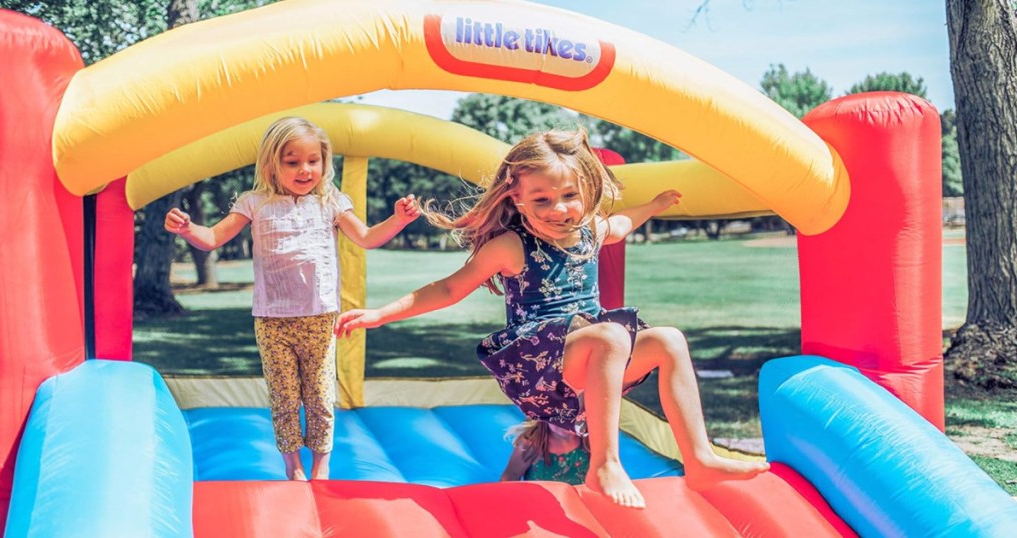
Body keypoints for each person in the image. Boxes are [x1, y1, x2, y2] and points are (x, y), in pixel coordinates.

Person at [334, 128, 769, 508]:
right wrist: (379, 314)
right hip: (538, 367)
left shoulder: (588, 231)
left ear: (585, 193)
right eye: (542, 199)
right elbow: (448, 288)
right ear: (516, 198)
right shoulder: (510, 245)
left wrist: (653, 205)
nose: (559, 210)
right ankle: (605, 464)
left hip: (586, 362)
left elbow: (619, 224)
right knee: (613, 336)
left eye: (569, 197)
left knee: (669, 339)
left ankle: (699, 461)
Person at [164, 116, 420, 481]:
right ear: (272, 164)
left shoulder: (331, 202)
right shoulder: (254, 203)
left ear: (324, 162)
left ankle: (321, 467)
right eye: (292, 161)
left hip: (319, 316)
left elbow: (366, 237)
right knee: (285, 398)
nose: (305, 169)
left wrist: (397, 220)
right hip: (272, 319)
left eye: (313, 161)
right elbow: (212, 238)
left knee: (319, 396)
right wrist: (188, 229)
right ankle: (293, 467)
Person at [500, 419, 591, 485]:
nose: (565, 423)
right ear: (543, 415)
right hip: (540, 507)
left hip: (579, 507)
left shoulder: (591, 442)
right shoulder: (531, 444)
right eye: (558, 417)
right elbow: (508, 478)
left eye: (572, 416)